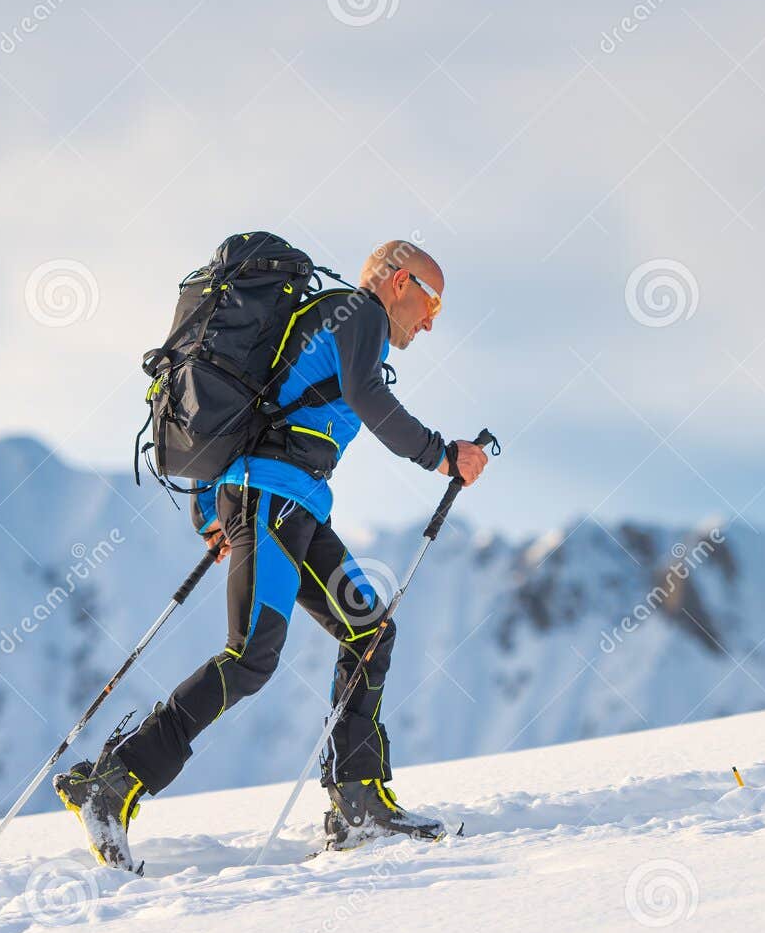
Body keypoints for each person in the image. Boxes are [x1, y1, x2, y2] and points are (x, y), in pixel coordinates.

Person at [55, 239, 490, 870]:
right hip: (273, 499)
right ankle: (114, 780)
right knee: (252, 656)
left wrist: (211, 509)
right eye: (432, 302)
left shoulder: (325, 321)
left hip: (293, 505)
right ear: (399, 283)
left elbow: (252, 407)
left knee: (369, 630)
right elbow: (368, 398)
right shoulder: (358, 313)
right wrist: (441, 455)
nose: (431, 321)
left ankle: (357, 800)